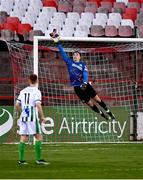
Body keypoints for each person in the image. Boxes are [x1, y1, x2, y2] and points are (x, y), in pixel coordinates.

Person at [50, 29, 116, 121]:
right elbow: (63, 53)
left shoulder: (82, 65)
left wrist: (85, 83)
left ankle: (109, 112)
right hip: (77, 88)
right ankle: (102, 114)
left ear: (80, 57)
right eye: (74, 54)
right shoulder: (69, 62)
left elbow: (85, 74)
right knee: (90, 104)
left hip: (85, 85)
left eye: (77, 54)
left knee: (97, 99)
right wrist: (58, 43)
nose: (75, 55)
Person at [15, 74, 48, 165]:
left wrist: (21, 113)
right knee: (38, 136)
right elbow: (38, 104)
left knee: (23, 137)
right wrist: (42, 117)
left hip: (24, 115)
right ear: (37, 81)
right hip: (32, 116)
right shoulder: (36, 91)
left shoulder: (23, 91)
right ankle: (38, 159)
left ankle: (21, 160)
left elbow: (17, 105)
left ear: (29, 80)